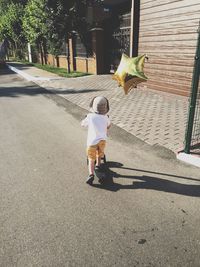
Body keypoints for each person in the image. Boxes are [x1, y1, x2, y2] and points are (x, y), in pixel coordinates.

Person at [81, 96, 111, 185]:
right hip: (102, 141)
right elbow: (108, 126)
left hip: (92, 142)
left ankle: (91, 174)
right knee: (99, 154)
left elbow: (82, 124)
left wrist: (86, 118)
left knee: (91, 158)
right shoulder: (106, 118)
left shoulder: (90, 117)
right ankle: (98, 166)